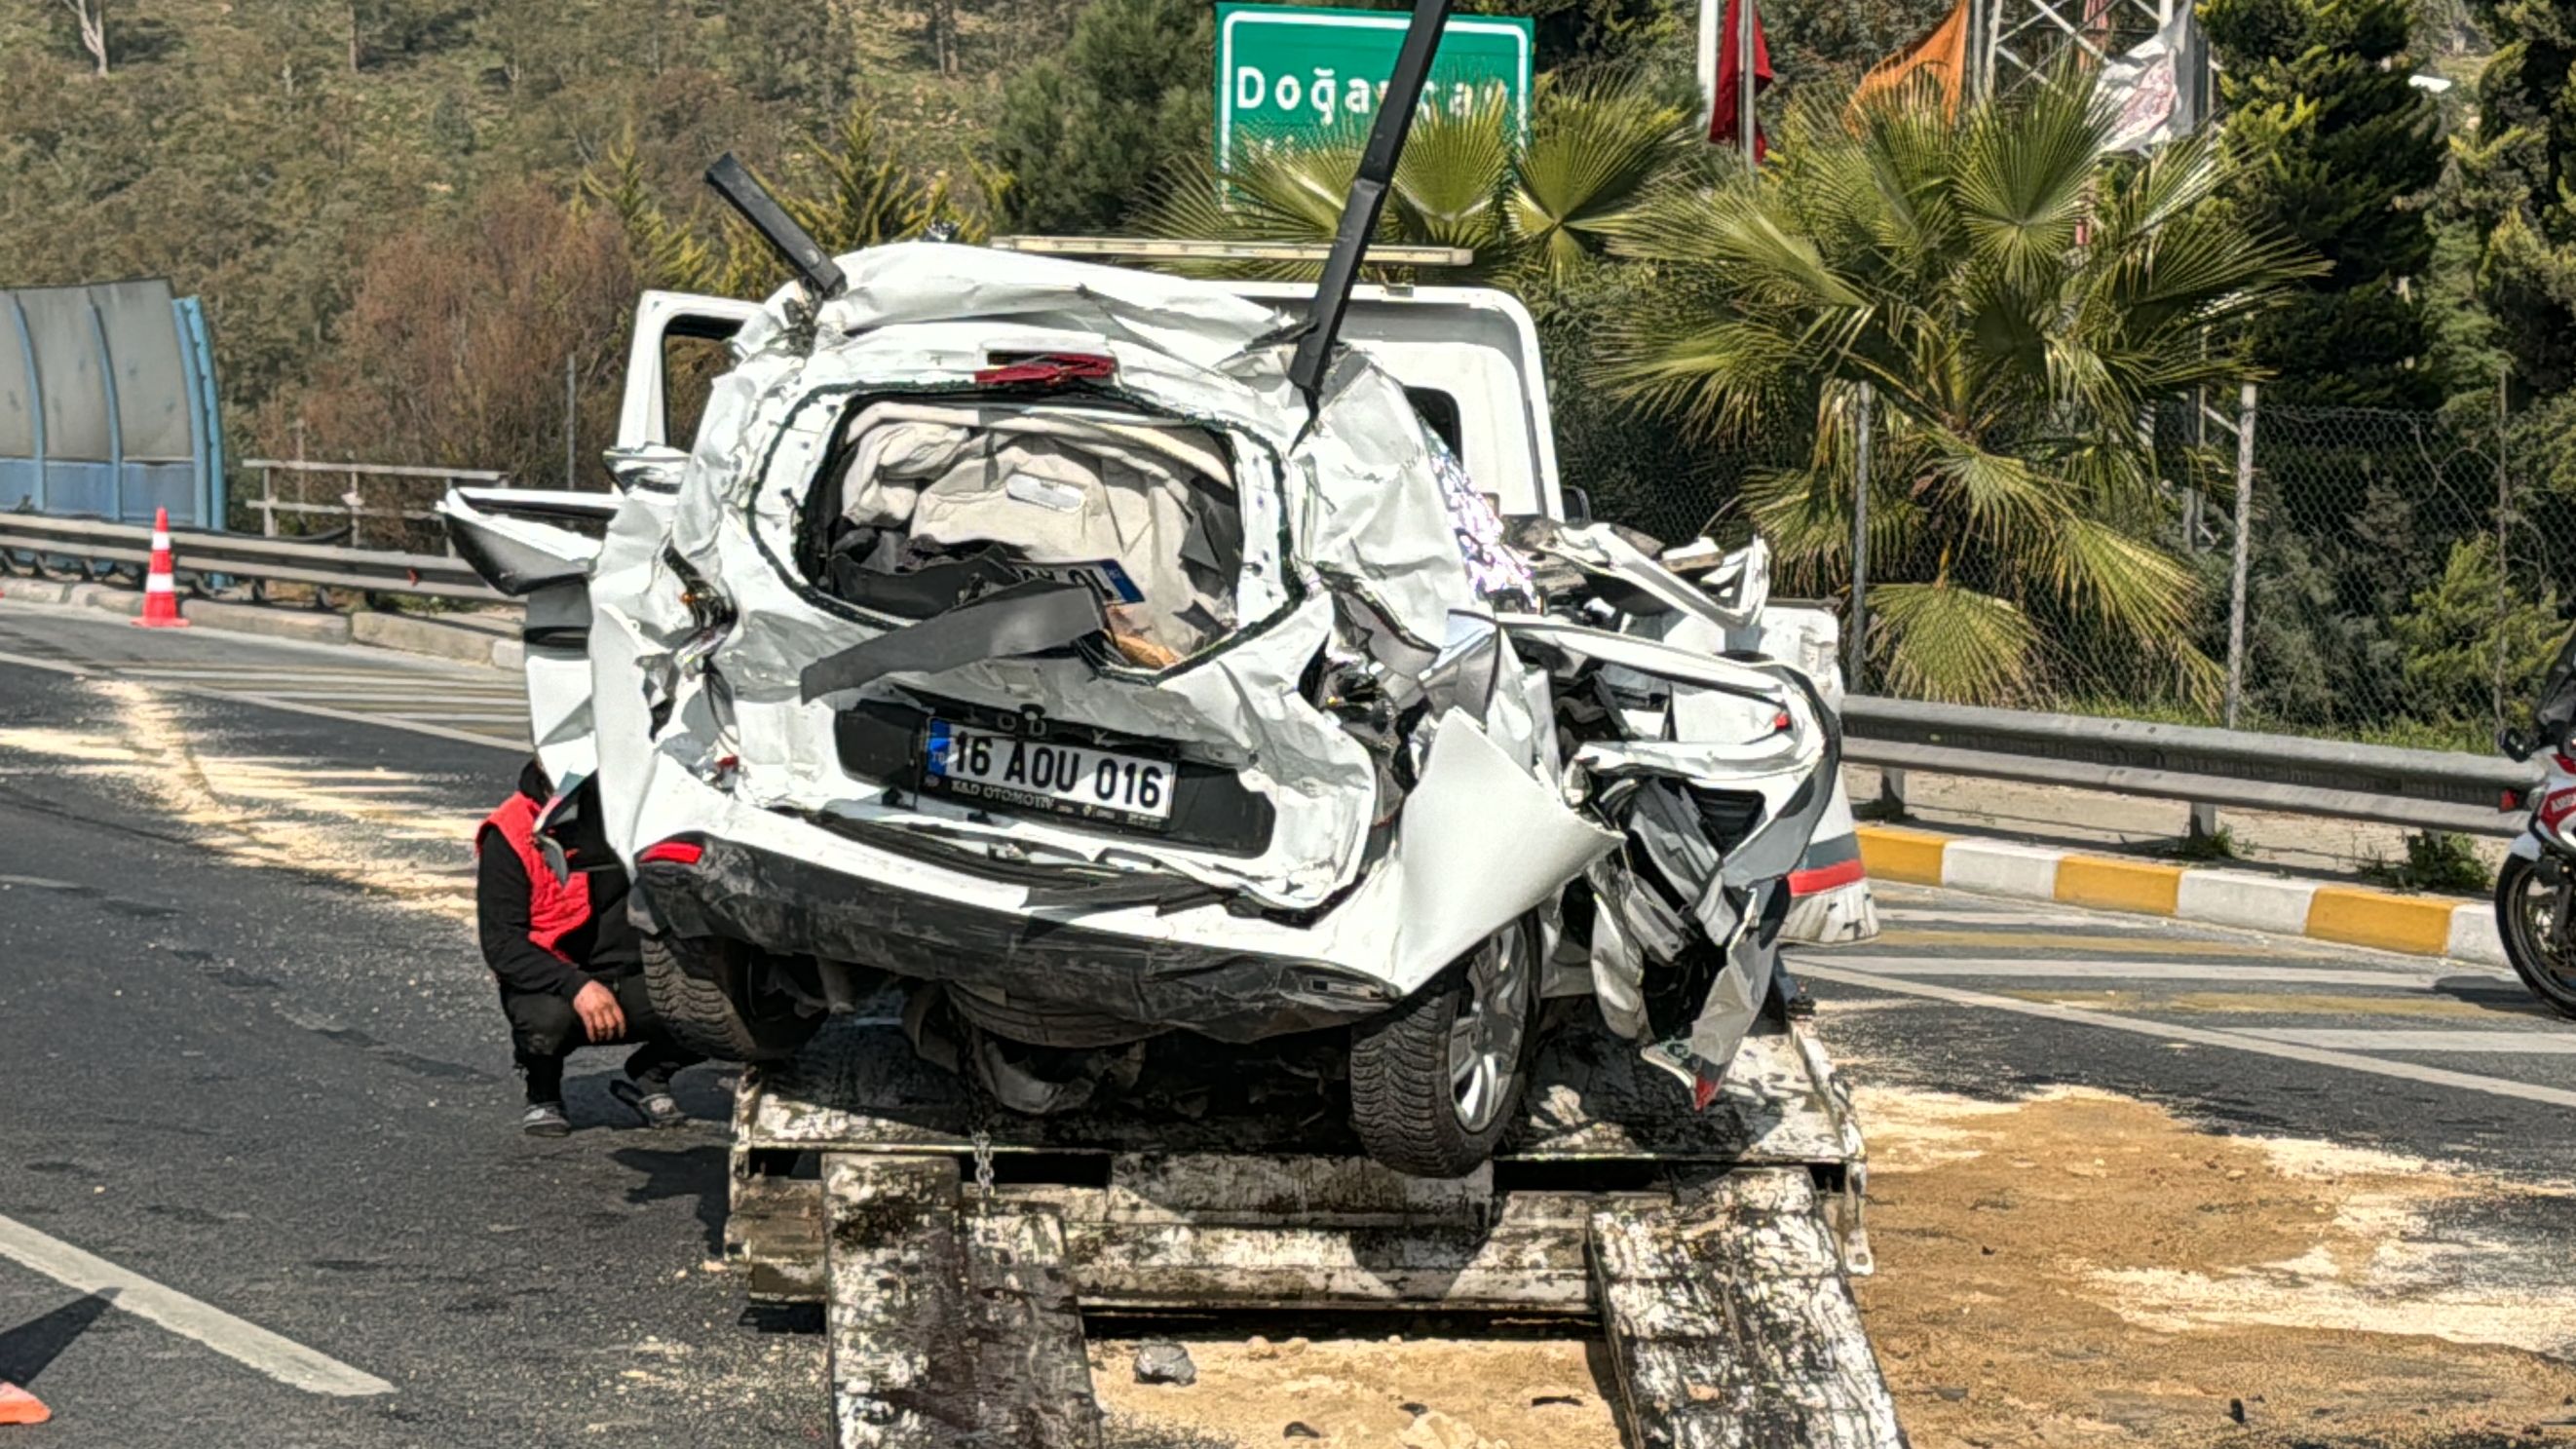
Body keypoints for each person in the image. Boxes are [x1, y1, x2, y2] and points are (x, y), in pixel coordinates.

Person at [476, 759, 702, 1135]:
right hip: (557, 978)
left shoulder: (648, 813)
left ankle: (649, 1074)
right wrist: (577, 985)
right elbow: (502, 946)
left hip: (639, 971)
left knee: (729, 1006)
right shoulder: (511, 830)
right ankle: (543, 1091)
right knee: (546, 1022)